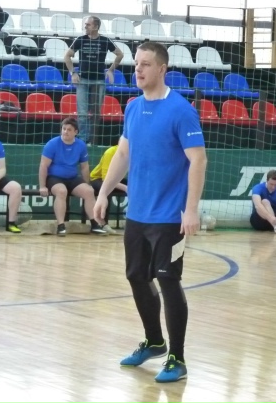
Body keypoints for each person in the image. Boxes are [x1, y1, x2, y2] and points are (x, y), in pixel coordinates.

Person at [93, 42, 207, 383]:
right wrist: (103, 192)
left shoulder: (181, 110)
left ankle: (177, 358)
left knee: (168, 280)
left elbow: (198, 160)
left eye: (145, 64)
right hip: (138, 214)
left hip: (170, 217)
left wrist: (191, 209)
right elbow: (122, 155)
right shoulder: (132, 107)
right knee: (136, 277)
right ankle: (154, 341)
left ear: (162, 69)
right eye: (136, 64)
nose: (138, 70)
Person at [38, 117, 107, 236]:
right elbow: (43, 166)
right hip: (54, 178)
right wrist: (42, 186)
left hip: (72, 178)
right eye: (64, 129)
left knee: (89, 191)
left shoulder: (81, 145)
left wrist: (87, 183)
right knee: (61, 191)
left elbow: (84, 167)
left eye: (69, 129)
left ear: (76, 132)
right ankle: (61, 226)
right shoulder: (52, 144)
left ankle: (95, 225)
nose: (65, 132)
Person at [64, 16, 124, 144]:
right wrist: (73, 73)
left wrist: (111, 70)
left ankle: (93, 141)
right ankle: (83, 140)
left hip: (99, 81)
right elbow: (67, 56)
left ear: (96, 27)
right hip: (82, 81)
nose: (85, 27)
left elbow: (120, 54)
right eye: (85, 24)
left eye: (88, 24)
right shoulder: (80, 40)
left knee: (95, 113)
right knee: (82, 113)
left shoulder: (105, 41)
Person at [90, 142, 127, 233]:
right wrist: (126, 188)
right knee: (107, 190)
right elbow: (106, 179)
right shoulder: (110, 152)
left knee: (137, 188)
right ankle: (103, 224)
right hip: (97, 179)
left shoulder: (133, 153)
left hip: (117, 179)